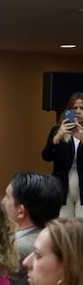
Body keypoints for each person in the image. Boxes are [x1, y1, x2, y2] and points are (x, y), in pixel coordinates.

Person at [2, 171, 65, 285]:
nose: (2, 201)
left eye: (7, 197)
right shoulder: (63, 241)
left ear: (21, 211)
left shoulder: (16, 250)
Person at [42, 91, 83, 219]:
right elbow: (46, 156)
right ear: (68, 111)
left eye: (82, 108)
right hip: (63, 187)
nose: (78, 111)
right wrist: (57, 138)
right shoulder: (58, 130)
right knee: (64, 225)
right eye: (74, 108)